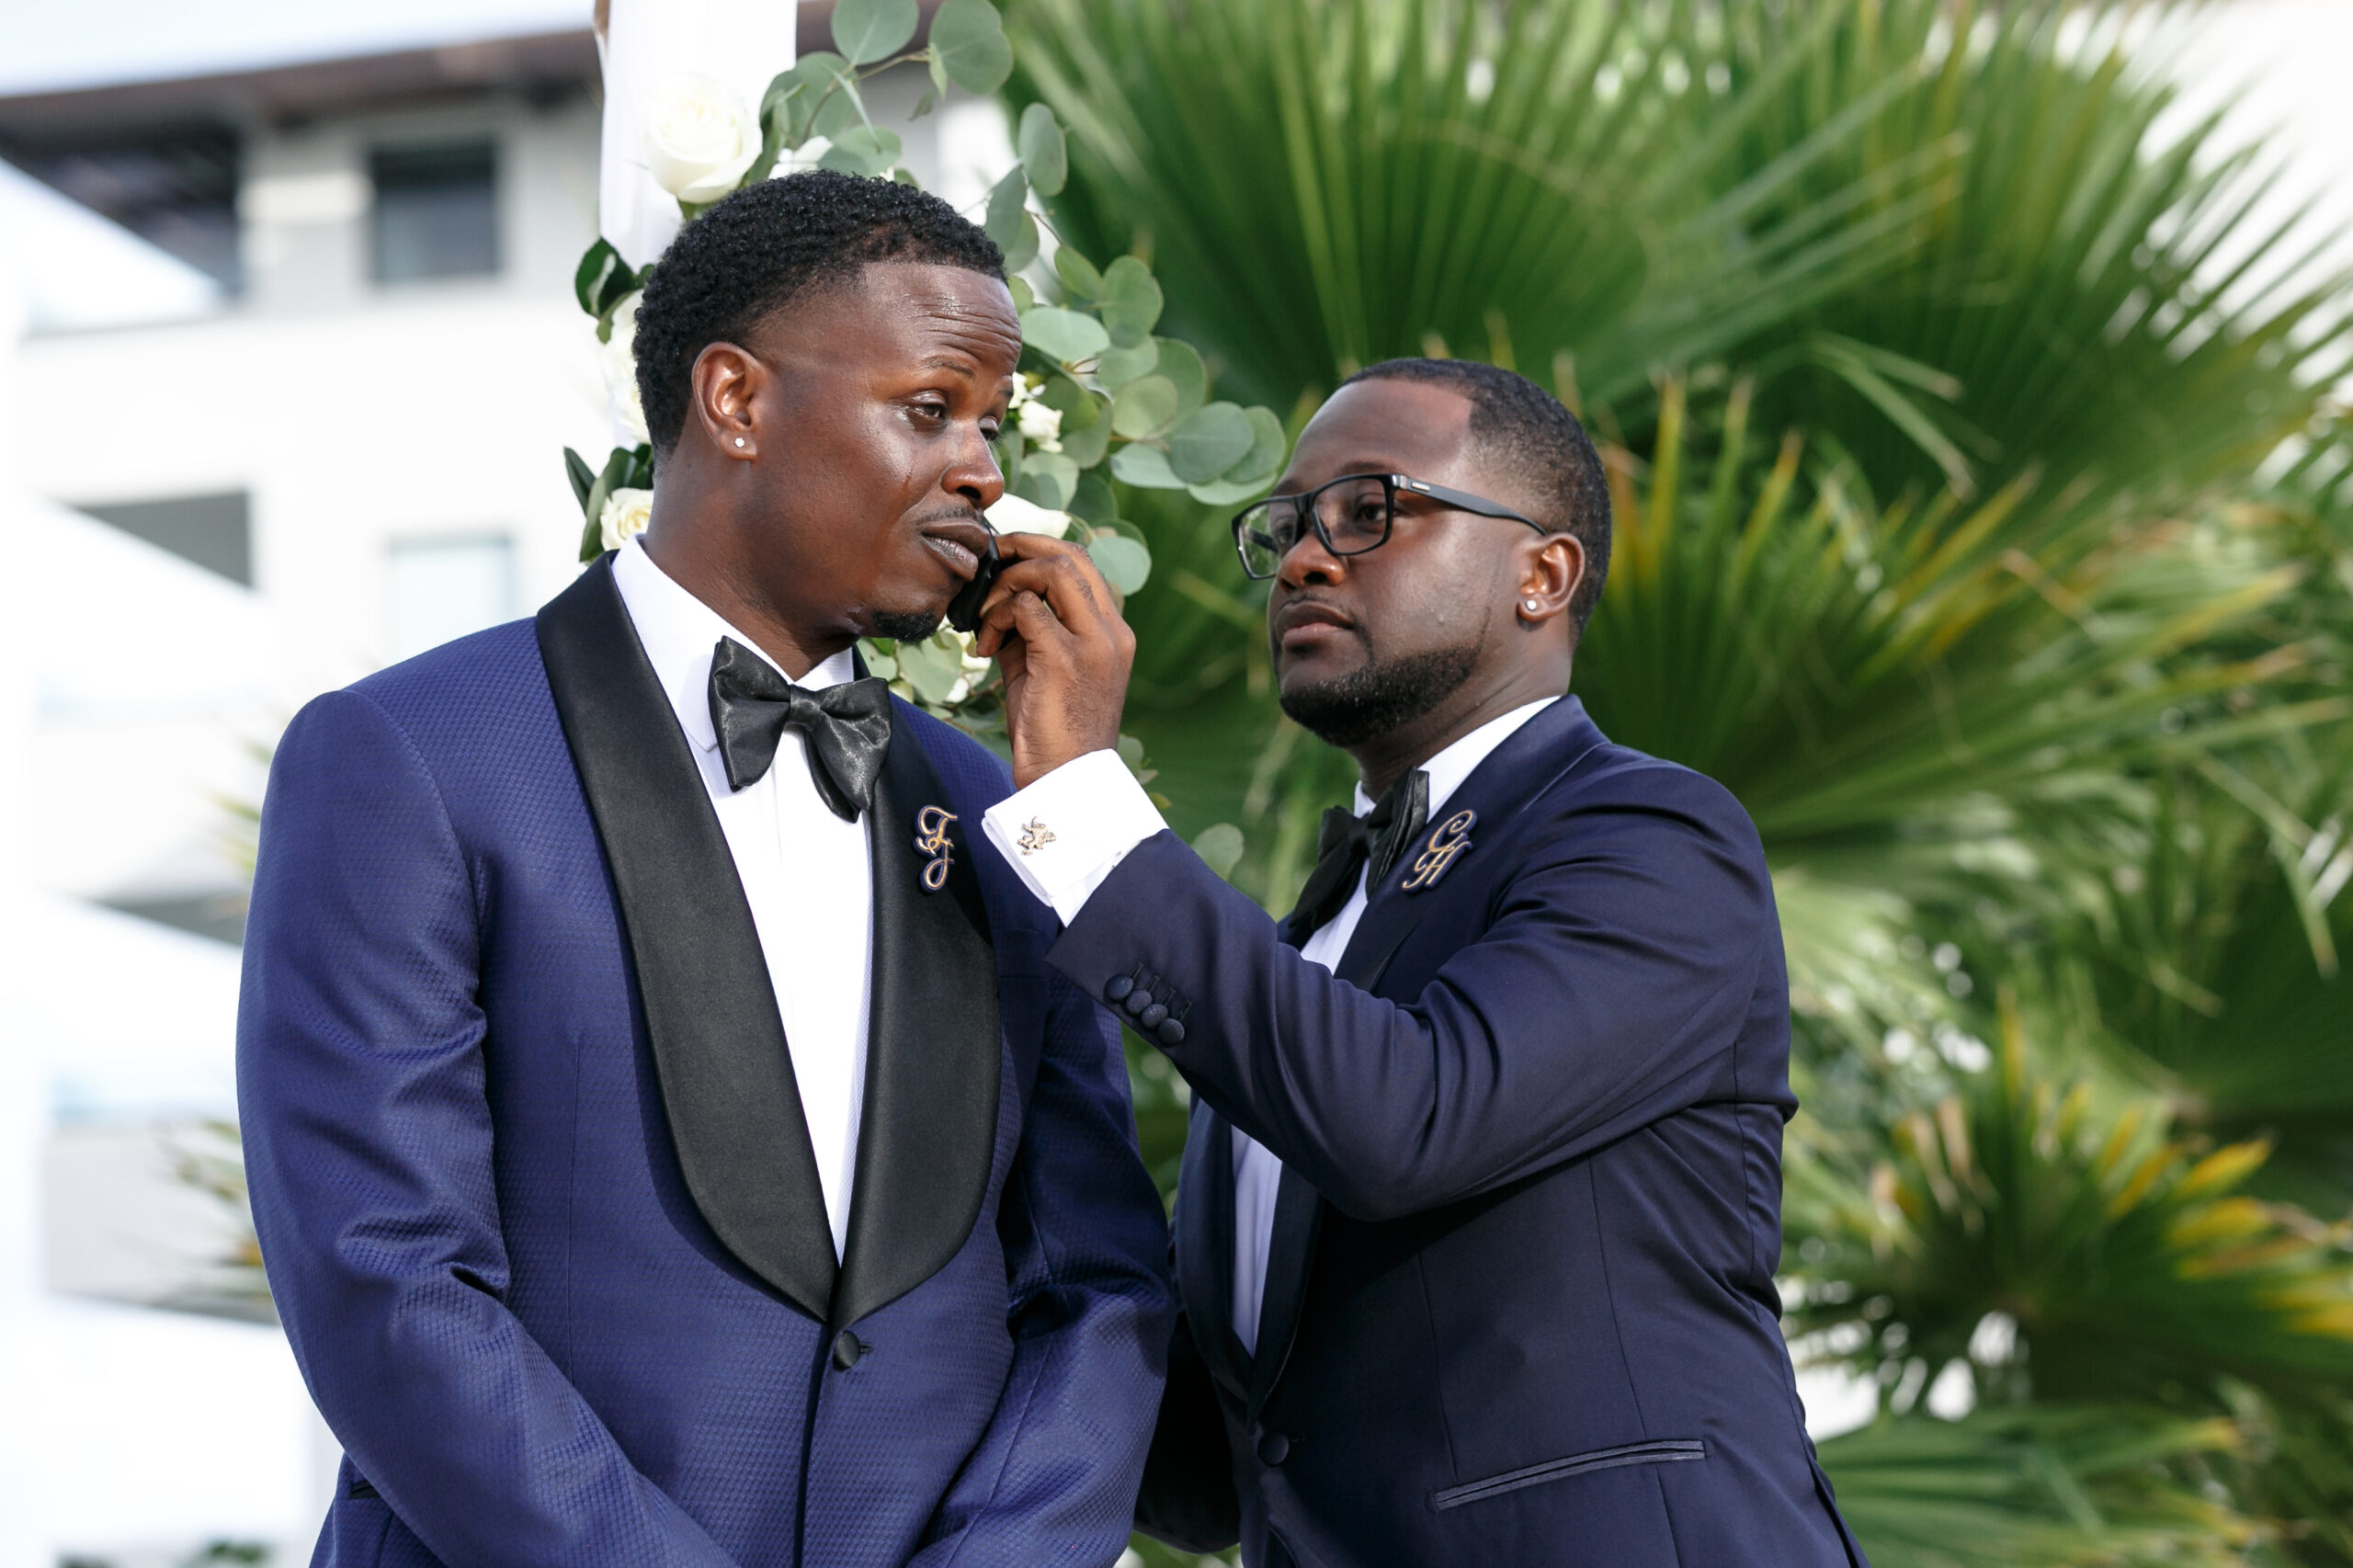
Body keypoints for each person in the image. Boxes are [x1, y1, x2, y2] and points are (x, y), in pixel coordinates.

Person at [235, 171, 1173, 1568]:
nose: (983, 467)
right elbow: (385, 1275)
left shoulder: (997, 807)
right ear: (734, 401)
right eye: (930, 409)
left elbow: (1096, 1281)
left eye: (989, 422)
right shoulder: (406, 757)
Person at [965, 358, 1870, 1566]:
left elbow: (1404, 1118)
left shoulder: (1651, 836)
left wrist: (1082, 801)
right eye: (1286, 524)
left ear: (1542, 575)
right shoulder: (1319, 937)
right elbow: (1221, 1465)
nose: (1303, 558)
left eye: (1370, 509)